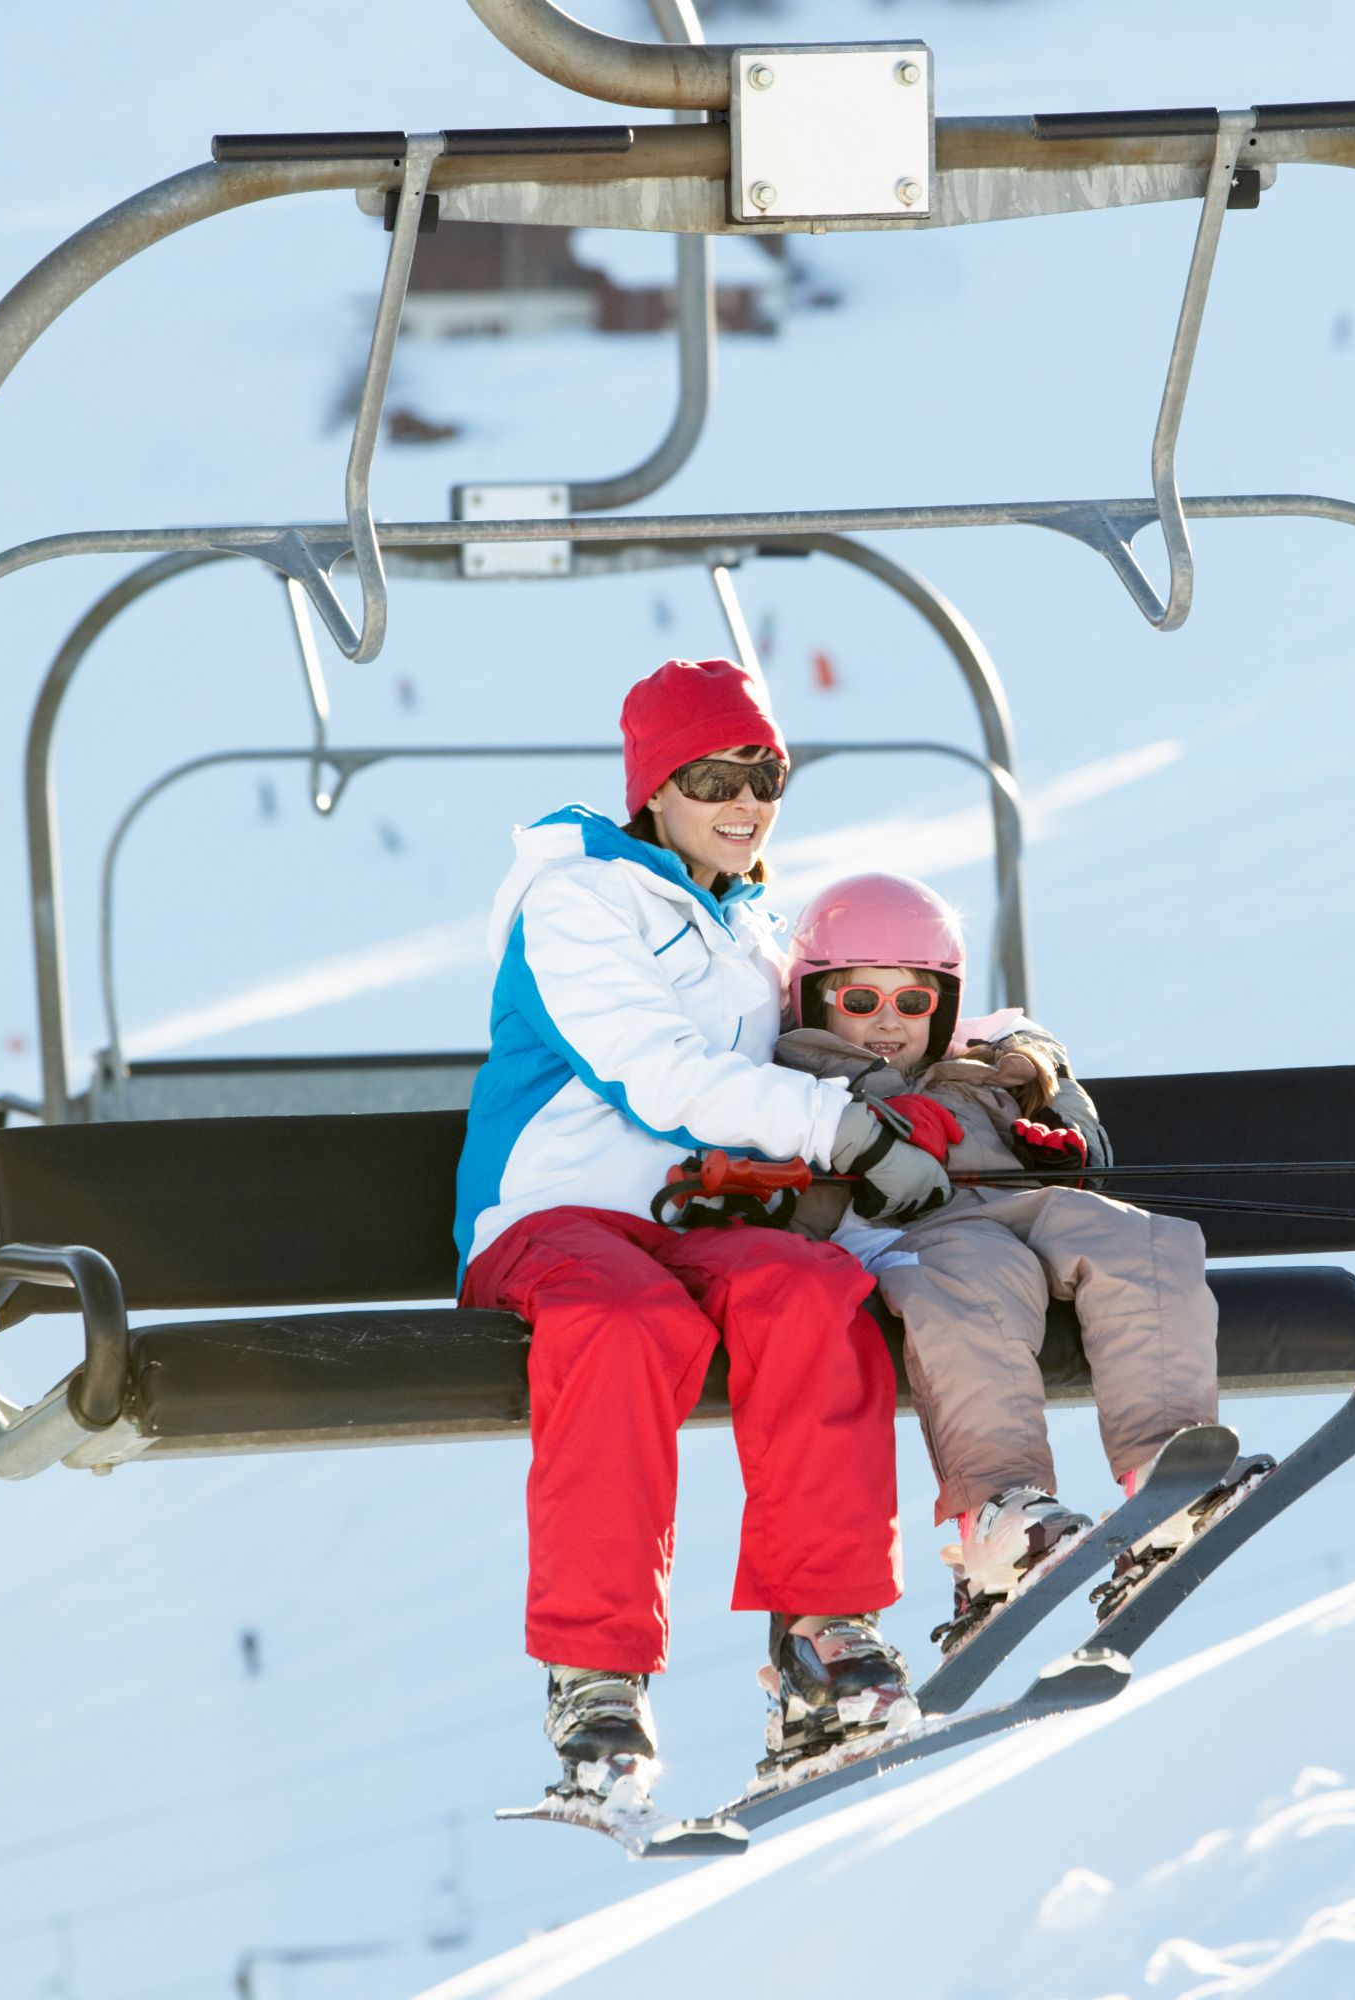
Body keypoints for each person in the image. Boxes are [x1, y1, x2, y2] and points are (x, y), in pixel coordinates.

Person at [452, 659, 954, 1809]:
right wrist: (844, 1134)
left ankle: (823, 1639)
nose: (746, 801)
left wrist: (990, 1061)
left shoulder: (746, 921)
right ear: (654, 789)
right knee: (623, 1323)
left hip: (692, 1223)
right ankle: (597, 1674)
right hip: (553, 1221)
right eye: (717, 775)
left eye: (767, 774)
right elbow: (654, 1075)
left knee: (808, 1286)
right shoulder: (575, 901)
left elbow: (836, 1022)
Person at [770, 873, 1262, 1652]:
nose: (887, 1024)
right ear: (814, 1000)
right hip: (906, 1234)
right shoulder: (801, 1079)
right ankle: (997, 1508)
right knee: (978, 1276)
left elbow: (1032, 1042)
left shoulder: (974, 1061)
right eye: (859, 1002)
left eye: (913, 1002)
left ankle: (1164, 1467)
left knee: (1139, 1238)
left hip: (1006, 1208)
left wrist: (1043, 1091)